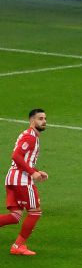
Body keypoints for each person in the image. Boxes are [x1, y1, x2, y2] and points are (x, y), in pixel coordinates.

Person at [2, 108, 48, 255]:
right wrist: (32, 172)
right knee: (35, 212)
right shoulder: (30, 137)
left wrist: (37, 171)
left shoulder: (29, 135)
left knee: (15, 215)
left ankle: (18, 246)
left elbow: (24, 159)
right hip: (21, 180)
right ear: (32, 120)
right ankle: (18, 246)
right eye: (40, 118)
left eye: (45, 118)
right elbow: (16, 156)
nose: (44, 121)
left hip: (13, 177)